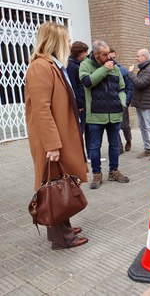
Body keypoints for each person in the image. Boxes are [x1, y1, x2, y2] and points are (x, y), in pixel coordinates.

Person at [25, 22, 88, 250]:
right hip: (51, 141)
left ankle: (65, 226)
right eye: (67, 39)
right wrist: (51, 144)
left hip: (60, 137)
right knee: (53, 185)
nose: (70, 44)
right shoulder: (41, 66)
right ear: (56, 41)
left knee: (60, 182)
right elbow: (41, 109)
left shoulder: (53, 65)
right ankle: (61, 238)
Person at [79, 40, 129, 189]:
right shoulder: (85, 65)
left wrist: (122, 103)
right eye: (105, 54)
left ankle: (113, 171)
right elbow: (87, 82)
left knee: (114, 145)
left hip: (114, 113)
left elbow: (122, 87)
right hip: (95, 115)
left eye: (109, 54)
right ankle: (97, 174)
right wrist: (105, 69)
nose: (109, 57)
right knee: (95, 146)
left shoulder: (115, 67)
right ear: (96, 55)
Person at [128, 49, 150, 160]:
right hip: (140, 103)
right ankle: (147, 149)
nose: (136, 58)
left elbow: (140, 83)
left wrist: (130, 73)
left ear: (145, 57)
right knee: (142, 127)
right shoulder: (143, 69)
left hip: (147, 105)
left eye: (138, 56)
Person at [67, 41, 89, 158]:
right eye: (85, 52)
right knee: (79, 131)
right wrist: (80, 104)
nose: (86, 54)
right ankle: (78, 156)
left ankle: (84, 155)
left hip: (83, 103)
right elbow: (74, 87)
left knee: (84, 130)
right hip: (79, 105)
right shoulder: (71, 66)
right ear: (79, 53)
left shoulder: (78, 64)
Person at [109, 48, 133, 154]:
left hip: (122, 102)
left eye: (114, 57)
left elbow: (130, 87)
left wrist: (126, 102)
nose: (112, 59)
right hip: (110, 103)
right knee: (114, 126)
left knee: (124, 125)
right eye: (110, 57)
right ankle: (119, 146)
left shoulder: (123, 70)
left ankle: (128, 139)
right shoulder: (103, 70)